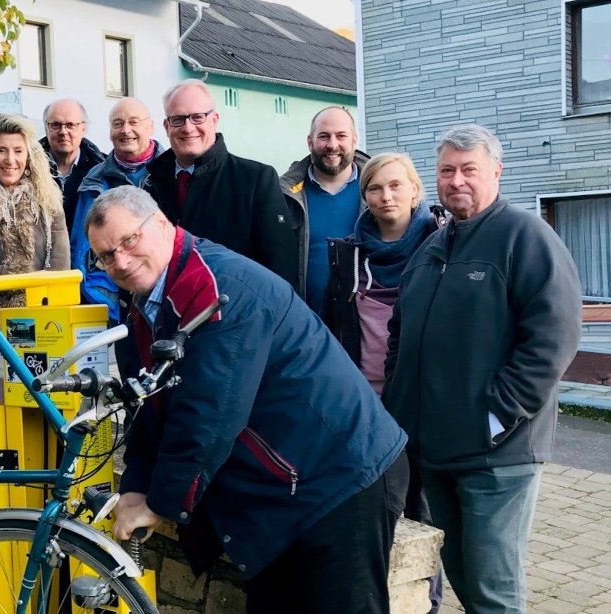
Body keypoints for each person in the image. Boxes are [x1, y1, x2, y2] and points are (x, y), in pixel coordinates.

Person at [93, 186, 408, 613]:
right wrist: (135, 487)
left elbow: (210, 414)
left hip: (338, 474)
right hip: (286, 482)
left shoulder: (217, 290)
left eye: (128, 241)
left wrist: (159, 502)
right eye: (106, 256)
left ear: (162, 224)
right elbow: (151, 405)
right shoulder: (146, 304)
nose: (121, 261)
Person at [385, 125, 582, 613]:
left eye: (469, 169)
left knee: (494, 588)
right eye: (447, 170)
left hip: (498, 453)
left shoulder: (525, 236)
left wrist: (498, 414)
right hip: (436, 450)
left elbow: (554, 336)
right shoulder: (433, 246)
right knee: (464, 578)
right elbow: (400, 333)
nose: (457, 181)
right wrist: (400, 403)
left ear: (496, 171)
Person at [321, 152, 447, 612]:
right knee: (379, 512)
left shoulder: (441, 245)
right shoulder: (348, 252)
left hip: (423, 402)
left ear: (415, 191)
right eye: (375, 188)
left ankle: (427, 602)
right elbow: (336, 326)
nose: (386, 195)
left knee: (425, 512)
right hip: (367, 404)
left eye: (396, 185)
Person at [143, 80, 297, 291]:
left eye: (198, 117)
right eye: (178, 119)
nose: (188, 128)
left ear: (214, 120)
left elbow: (280, 269)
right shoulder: (151, 184)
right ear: (167, 126)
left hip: (236, 313)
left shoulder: (256, 180)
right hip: (167, 316)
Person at [0, 113, 71, 377]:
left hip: (45, 319)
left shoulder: (49, 202)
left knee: (45, 397)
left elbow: (61, 267)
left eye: (18, 151)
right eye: (1, 151)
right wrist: (19, 278)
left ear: (29, 155)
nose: (10, 160)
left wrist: (29, 288)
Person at [68, 97, 162, 323]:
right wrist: (102, 299)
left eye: (134, 122)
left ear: (151, 126)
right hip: (114, 304)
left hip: (166, 299)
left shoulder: (169, 172)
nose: (126, 130)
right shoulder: (94, 179)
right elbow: (81, 247)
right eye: (118, 123)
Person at [281, 106, 369, 313]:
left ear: (354, 140)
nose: (332, 145)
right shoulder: (284, 195)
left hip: (365, 325)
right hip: (304, 322)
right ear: (310, 141)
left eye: (341, 136)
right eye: (324, 136)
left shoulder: (377, 190)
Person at [39, 98, 105, 233]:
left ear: (83, 129)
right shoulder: (28, 168)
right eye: (55, 125)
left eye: (70, 125)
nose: (63, 132)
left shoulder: (102, 169)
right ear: (46, 128)